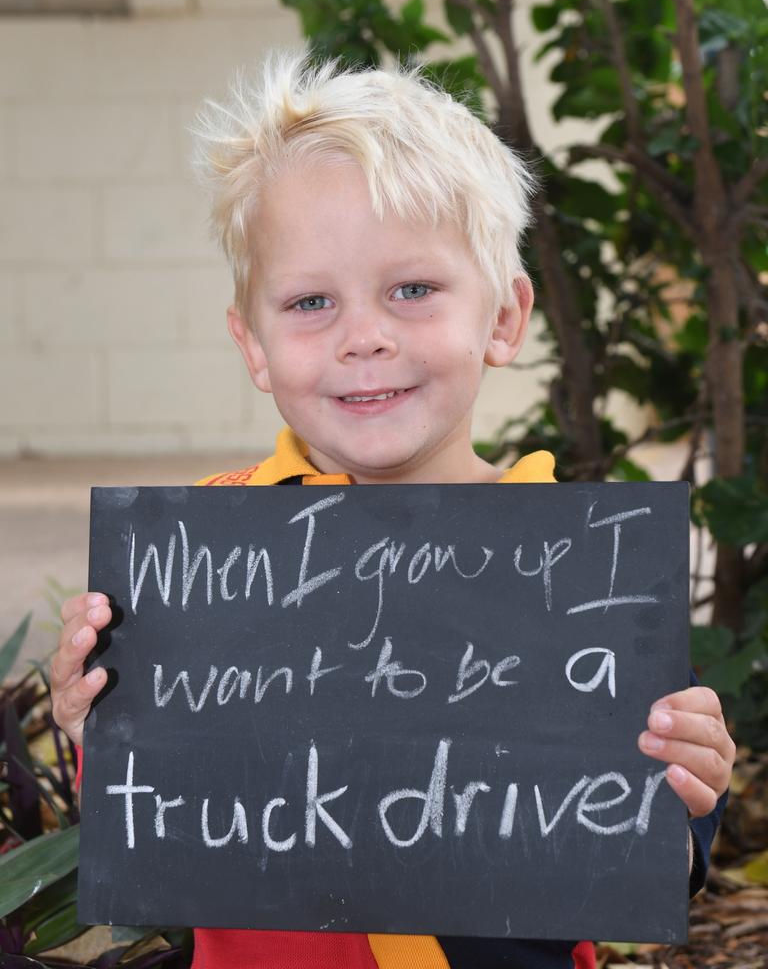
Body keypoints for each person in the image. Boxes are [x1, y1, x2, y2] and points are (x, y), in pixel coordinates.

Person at [51, 50, 735, 969]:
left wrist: (693, 790)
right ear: (253, 345)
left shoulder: (586, 579)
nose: (363, 337)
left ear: (502, 317)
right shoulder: (197, 558)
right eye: (310, 302)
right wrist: (93, 714)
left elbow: (632, 838)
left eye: (412, 290)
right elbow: (160, 818)